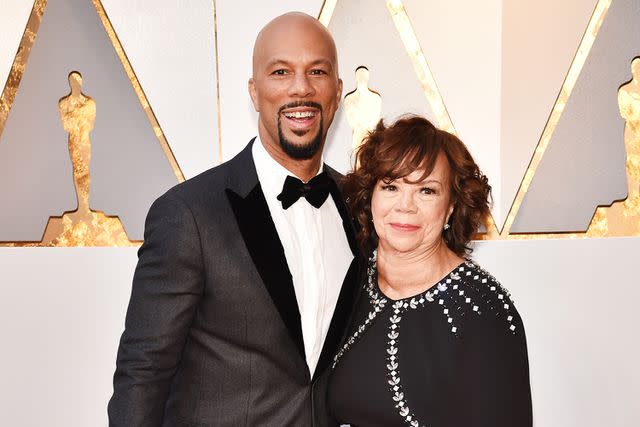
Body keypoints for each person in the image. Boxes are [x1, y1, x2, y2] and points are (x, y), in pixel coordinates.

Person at [108, 12, 359, 426]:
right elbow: (142, 376)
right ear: (254, 91)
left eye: (317, 71)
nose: (301, 88)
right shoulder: (189, 215)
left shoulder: (361, 205)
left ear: (336, 91)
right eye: (281, 72)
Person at [328, 116, 532, 427]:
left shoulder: (483, 310)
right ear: (371, 196)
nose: (405, 206)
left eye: (427, 191)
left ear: (451, 205)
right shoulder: (347, 282)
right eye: (391, 186)